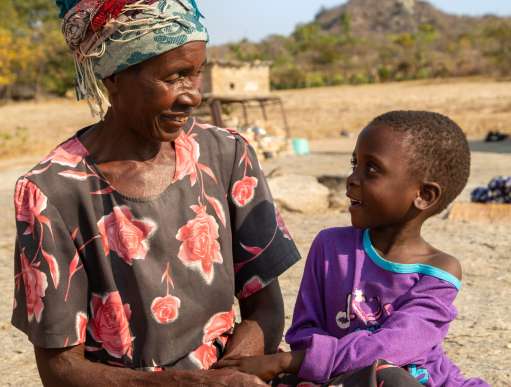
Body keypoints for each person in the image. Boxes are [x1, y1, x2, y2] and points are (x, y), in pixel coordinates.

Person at [11, 1, 300, 386]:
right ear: (113, 76)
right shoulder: (52, 192)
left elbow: (264, 308)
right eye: (175, 76)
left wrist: (231, 372)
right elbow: (61, 370)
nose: (192, 96)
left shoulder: (226, 155)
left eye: (197, 74)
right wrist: (196, 385)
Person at [216, 111, 489, 386]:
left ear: (423, 196)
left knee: (390, 377)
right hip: (335, 379)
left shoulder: (438, 271)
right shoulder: (330, 247)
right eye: (354, 164)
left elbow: (392, 349)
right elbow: (303, 332)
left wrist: (286, 361)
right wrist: (319, 364)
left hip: (412, 381)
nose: (352, 179)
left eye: (371, 169)